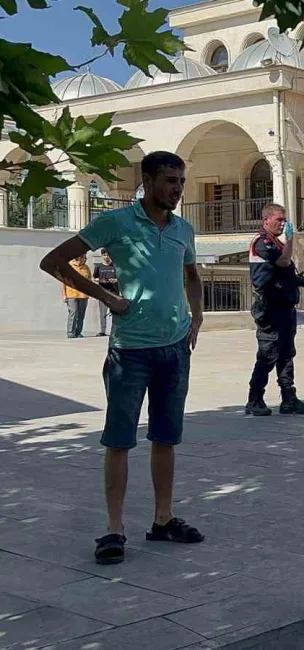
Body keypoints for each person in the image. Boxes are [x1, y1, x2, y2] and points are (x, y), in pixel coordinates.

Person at [39, 151, 206, 565]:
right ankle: (114, 530)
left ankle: (163, 520)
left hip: (174, 349)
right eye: (169, 180)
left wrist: (197, 317)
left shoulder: (183, 229)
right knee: (119, 440)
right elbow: (53, 261)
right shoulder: (115, 223)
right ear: (147, 181)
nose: (177, 189)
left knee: (166, 438)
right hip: (130, 352)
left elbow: (191, 274)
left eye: (181, 181)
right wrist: (107, 297)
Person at [245, 203, 304, 416]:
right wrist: (291, 240)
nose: (283, 223)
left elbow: (284, 272)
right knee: (267, 356)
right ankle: (254, 400)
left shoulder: (274, 242)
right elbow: (283, 262)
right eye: (279, 220)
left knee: (286, 355)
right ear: (266, 220)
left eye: (284, 220)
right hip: (270, 310)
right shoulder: (262, 242)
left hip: (285, 309)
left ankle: (289, 399)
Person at [63, 253, 91, 338]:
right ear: (79, 257)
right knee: (73, 312)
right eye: (84, 257)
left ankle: (78, 332)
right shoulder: (69, 267)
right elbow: (63, 281)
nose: (86, 259)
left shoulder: (86, 268)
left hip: (83, 295)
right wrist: (64, 295)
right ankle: (70, 332)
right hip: (71, 294)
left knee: (81, 314)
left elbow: (90, 281)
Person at [92, 250, 119, 337]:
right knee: (102, 313)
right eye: (104, 255)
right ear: (102, 256)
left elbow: (121, 278)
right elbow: (94, 278)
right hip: (102, 293)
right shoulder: (99, 266)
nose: (106, 257)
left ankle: (114, 331)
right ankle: (102, 330)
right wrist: (100, 280)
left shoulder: (115, 266)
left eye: (108, 255)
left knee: (114, 313)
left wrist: (115, 280)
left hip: (113, 293)